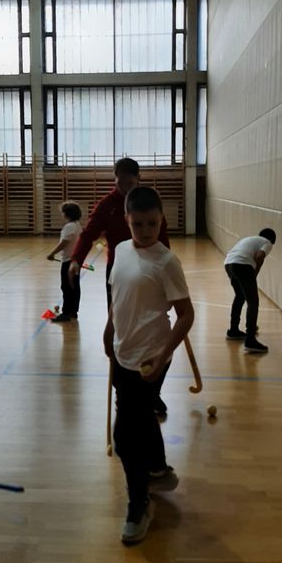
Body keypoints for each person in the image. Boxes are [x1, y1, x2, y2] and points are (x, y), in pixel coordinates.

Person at [103, 186, 194, 545]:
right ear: (127, 220)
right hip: (122, 351)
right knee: (139, 417)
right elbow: (118, 293)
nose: (145, 231)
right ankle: (157, 469)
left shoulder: (166, 262)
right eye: (138, 224)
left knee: (125, 438)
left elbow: (186, 315)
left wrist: (163, 353)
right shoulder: (122, 250)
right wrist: (110, 326)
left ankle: (139, 503)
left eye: (152, 223)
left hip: (150, 358)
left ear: (162, 220)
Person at [69, 158, 171, 414]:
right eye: (119, 183)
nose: (124, 187)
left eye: (129, 183)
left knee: (151, 332)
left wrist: (166, 272)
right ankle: (122, 391)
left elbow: (163, 238)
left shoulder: (148, 203)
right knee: (120, 331)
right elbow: (89, 233)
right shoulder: (108, 205)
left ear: (138, 179)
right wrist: (76, 259)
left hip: (150, 274)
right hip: (120, 275)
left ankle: (152, 393)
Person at [224, 228, 277, 353]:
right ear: (272, 240)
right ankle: (250, 339)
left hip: (229, 263)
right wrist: (255, 273)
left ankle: (233, 330)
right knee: (253, 302)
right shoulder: (267, 243)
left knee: (240, 296)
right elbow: (260, 256)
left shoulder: (249, 239)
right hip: (242, 265)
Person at [46, 202, 83, 323]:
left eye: (63, 212)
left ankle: (66, 313)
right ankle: (73, 312)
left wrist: (52, 253)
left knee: (67, 287)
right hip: (75, 260)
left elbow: (64, 243)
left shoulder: (69, 227)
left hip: (68, 261)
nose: (62, 214)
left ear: (67, 214)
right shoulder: (77, 225)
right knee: (74, 287)